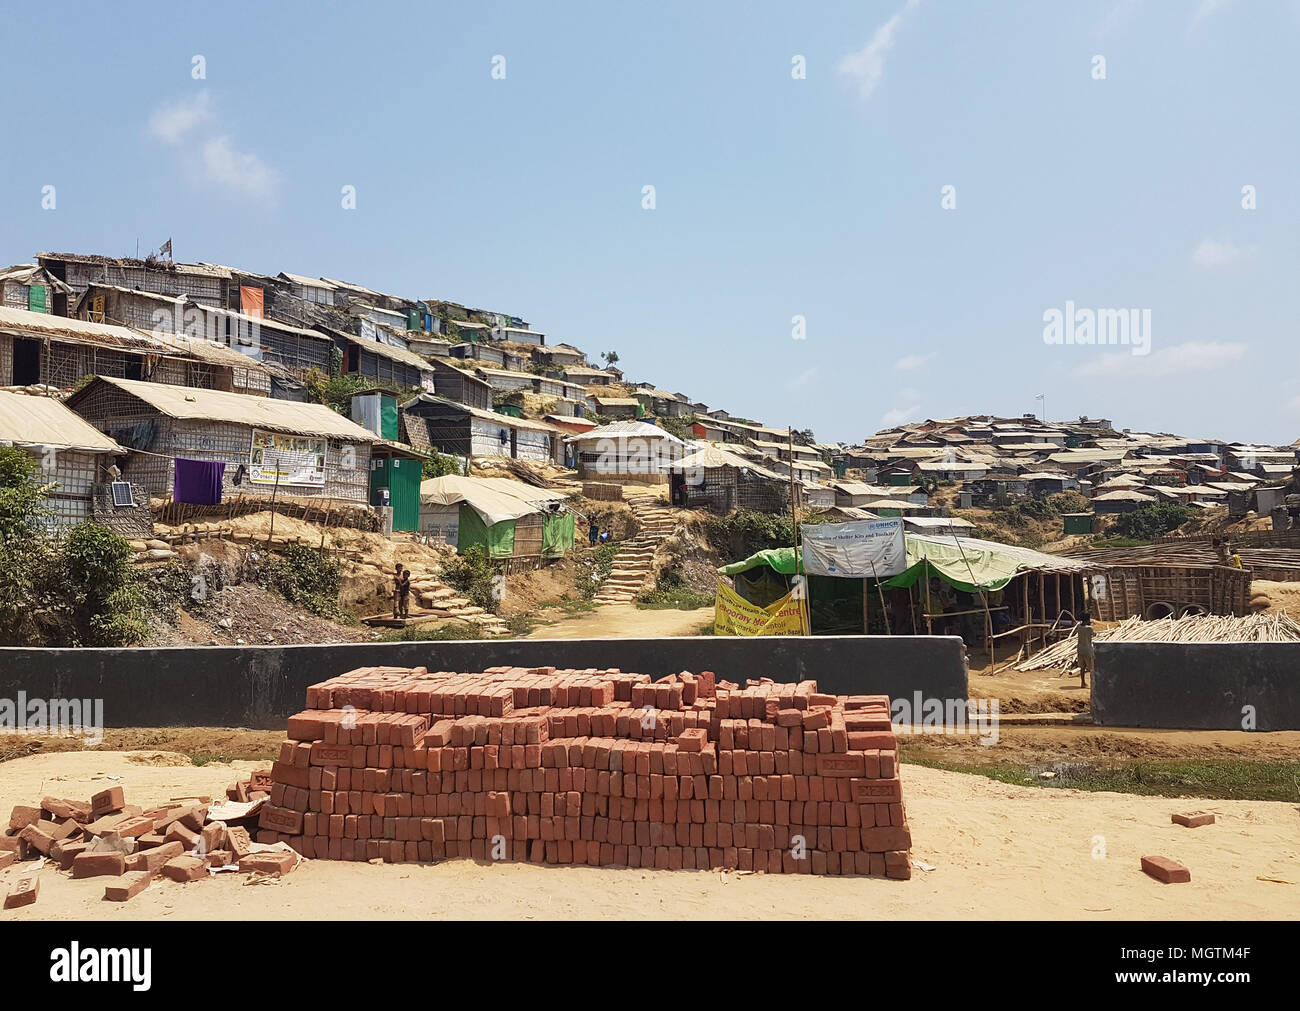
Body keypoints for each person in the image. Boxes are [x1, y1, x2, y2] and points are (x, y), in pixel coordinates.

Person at [1076, 613, 1094, 689]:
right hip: (1088, 650)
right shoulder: (1089, 628)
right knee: (1091, 668)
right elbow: (1093, 634)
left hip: (1080, 649)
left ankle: (1083, 683)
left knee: (1082, 667)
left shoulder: (1079, 627)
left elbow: (1081, 626)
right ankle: (1092, 684)